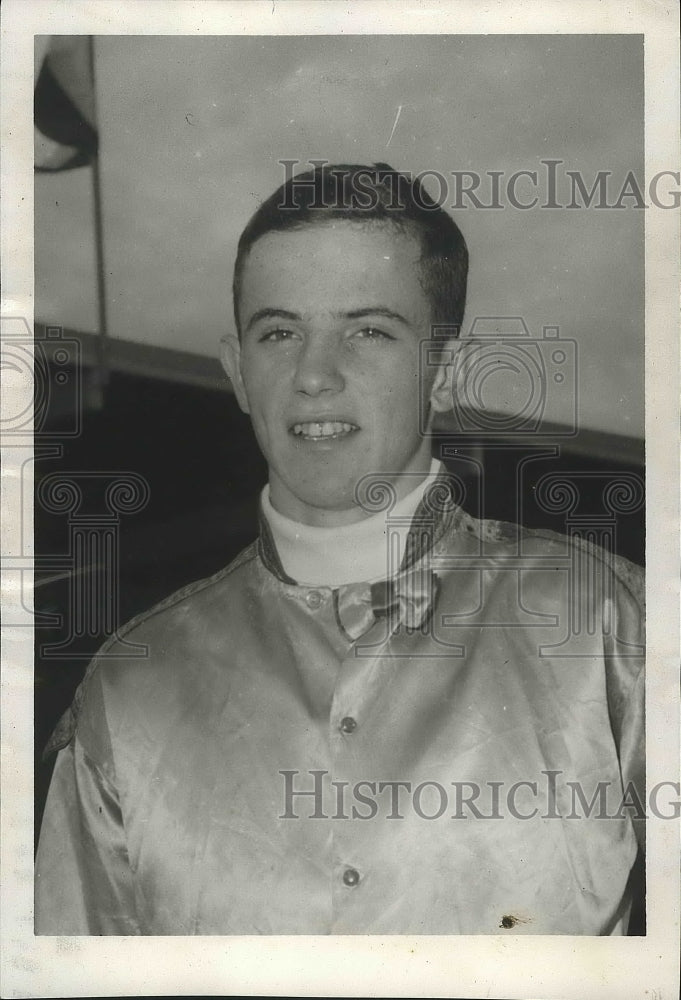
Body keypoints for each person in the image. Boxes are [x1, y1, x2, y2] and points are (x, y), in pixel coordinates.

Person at [35, 163, 645, 935]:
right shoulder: (127, 689)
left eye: (367, 331)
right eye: (280, 332)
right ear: (238, 372)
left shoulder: (612, 631)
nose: (315, 376)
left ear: (446, 370)